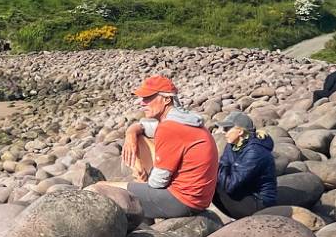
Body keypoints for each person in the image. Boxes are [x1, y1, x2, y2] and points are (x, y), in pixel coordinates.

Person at [100, 76, 219, 219]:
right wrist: (131, 133)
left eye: (148, 98)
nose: (142, 103)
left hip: (181, 201)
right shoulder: (185, 120)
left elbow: (158, 182)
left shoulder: (169, 128)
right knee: (140, 137)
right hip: (199, 200)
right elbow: (145, 127)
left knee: (101, 188)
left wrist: (141, 182)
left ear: (166, 100)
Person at [212, 111, 277, 218]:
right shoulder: (233, 145)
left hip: (260, 202)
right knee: (209, 181)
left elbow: (230, 185)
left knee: (212, 184)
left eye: (227, 129)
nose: (223, 132)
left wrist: (212, 166)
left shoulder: (255, 152)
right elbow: (224, 166)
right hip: (244, 191)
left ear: (240, 132)